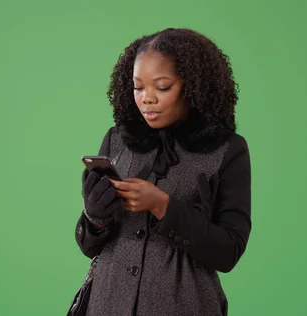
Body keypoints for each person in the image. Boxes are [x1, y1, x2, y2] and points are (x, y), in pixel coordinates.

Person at [74, 27, 252, 316]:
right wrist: (95, 216)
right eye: (138, 87)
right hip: (107, 304)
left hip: (183, 305)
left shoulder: (227, 150)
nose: (147, 98)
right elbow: (88, 245)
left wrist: (162, 206)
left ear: (193, 86)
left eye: (162, 87)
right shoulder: (117, 140)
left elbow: (228, 251)